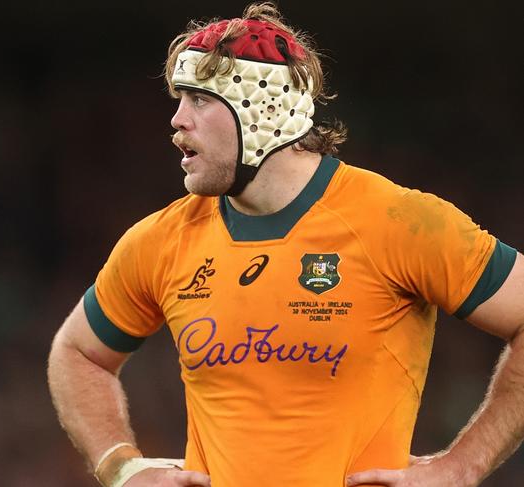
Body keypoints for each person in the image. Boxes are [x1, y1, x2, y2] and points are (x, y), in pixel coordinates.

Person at [47, 3, 524, 486]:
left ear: (261, 110)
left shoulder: (400, 222)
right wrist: (121, 467)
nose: (176, 120)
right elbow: (77, 353)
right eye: (180, 99)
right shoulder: (159, 240)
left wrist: (462, 467)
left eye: (200, 100)